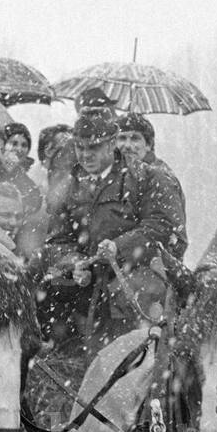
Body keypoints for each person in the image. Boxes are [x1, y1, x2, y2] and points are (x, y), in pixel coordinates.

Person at [39, 106, 187, 345]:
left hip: (138, 300)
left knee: (134, 367)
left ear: (111, 144)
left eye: (93, 147)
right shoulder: (68, 185)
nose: (85, 155)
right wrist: (73, 262)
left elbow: (168, 231)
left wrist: (120, 247)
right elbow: (55, 242)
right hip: (86, 298)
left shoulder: (149, 178)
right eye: (80, 147)